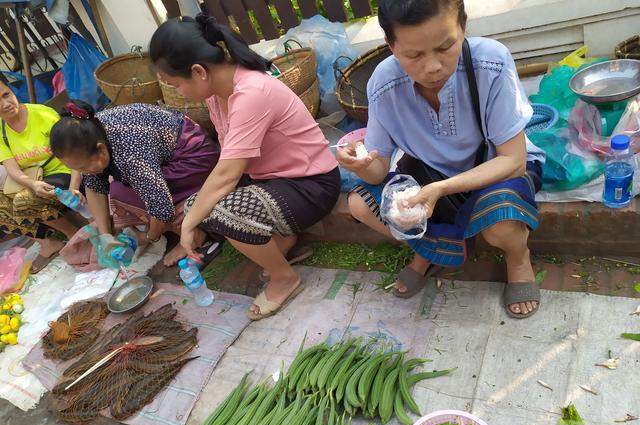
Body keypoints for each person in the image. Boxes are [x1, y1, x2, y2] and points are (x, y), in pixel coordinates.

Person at [338, 0, 546, 319]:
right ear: (390, 46)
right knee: (361, 204)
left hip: (494, 169)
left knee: (501, 223)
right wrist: (363, 165)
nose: (433, 67)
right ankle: (432, 249)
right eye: (413, 55)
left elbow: (513, 161)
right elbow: (378, 171)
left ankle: (519, 258)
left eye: (446, 46)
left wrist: (441, 189)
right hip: (430, 174)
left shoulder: (490, 62)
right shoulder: (383, 83)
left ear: (463, 26)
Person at [149, 14, 341, 320]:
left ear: (198, 72)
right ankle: (283, 239)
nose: (179, 93)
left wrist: (187, 225)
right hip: (274, 181)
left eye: (176, 84)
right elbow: (230, 163)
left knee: (220, 211)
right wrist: (194, 214)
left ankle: (285, 278)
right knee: (200, 204)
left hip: (312, 184)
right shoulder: (218, 94)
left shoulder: (251, 93)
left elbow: (227, 175)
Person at [50, 101, 221, 267]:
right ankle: (182, 224)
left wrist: (148, 237)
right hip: (170, 156)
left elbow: (161, 206)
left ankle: (193, 236)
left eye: (84, 167)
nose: (84, 172)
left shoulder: (130, 155)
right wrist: (105, 237)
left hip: (196, 159)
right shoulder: (90, 130)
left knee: (122, 193)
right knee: (119, 187)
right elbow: (94, 186)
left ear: (101, 149)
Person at [0, 80, 81, 272]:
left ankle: (75, 234)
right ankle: (48, 242)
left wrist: (75, 187)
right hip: (38, 179)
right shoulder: (1, 130)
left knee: (23, 201)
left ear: (12, 91)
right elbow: (13, 169)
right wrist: (32, 184)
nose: (6, 103)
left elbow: (76, 151)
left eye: (6, 95)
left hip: (66, 171)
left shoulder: (42, 114)